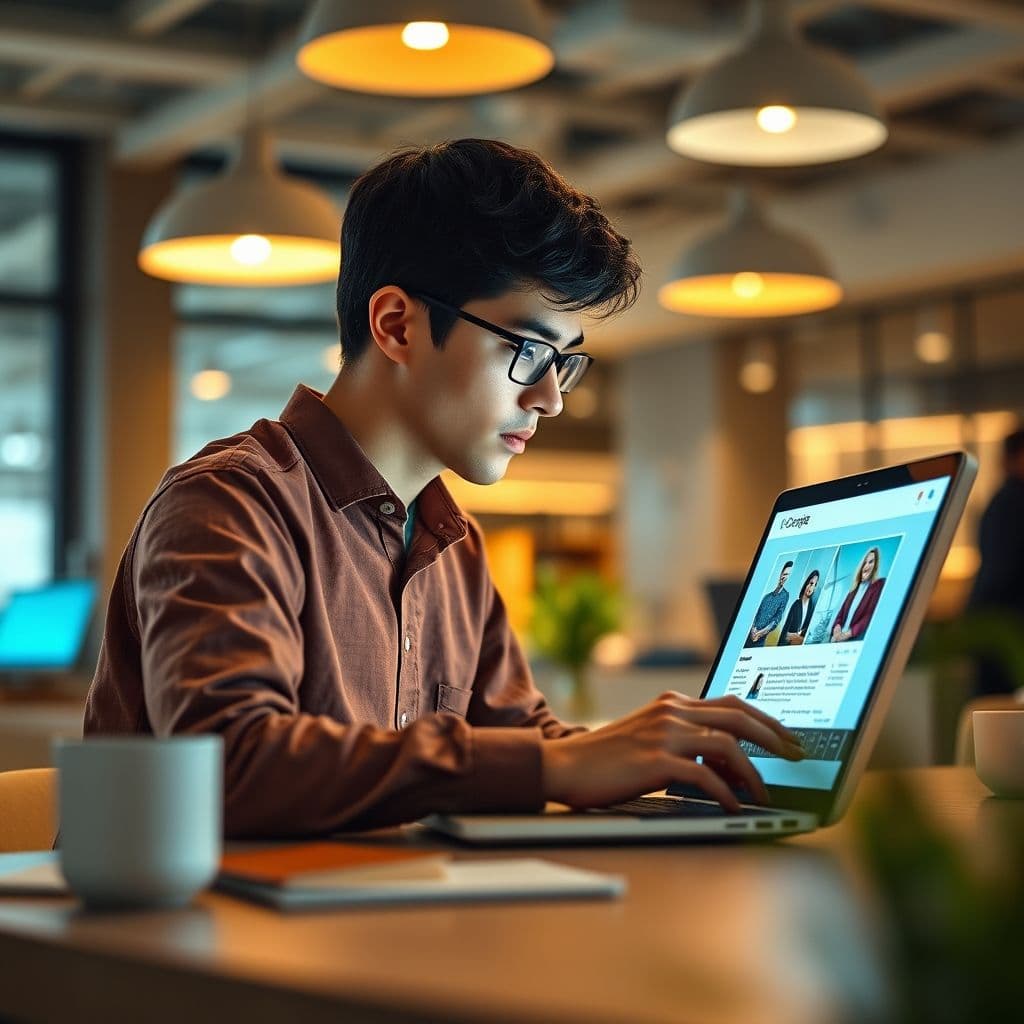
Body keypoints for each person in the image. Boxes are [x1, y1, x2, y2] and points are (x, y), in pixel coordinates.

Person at [83, 140, 804, 838]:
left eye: (565, 362)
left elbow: (526, 746)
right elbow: (229, 766)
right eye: (528, 351)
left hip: (365, 928)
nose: (551, 398)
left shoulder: (454, 546)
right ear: (397, 324)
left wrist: (656, 753)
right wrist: (553, 763)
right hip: (183, 949)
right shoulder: (227, 505)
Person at [965, 428, 1024, 696]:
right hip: (1002, 620)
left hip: (991, 616)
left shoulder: (1002, 499)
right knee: (1001, 700)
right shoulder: (1012, 501)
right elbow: (1001, 571)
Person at [831, 547, 884, 642]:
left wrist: (848, 634)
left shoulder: (878, 585)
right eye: (865, 562)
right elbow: (840, 615)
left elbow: (870, 615)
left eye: (871, 562)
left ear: (876, 565)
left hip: (853, 639)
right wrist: (837, 628)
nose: (867, 566)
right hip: (838, 639)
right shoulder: (852, 591)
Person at [745, 562, 793, 648]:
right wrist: (753, 629)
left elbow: (777, 619)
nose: (785, 577)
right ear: (781, 574)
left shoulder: (785, 595)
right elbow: (756, 614)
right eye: (785, 574)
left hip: (760, 641)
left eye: (788, 575)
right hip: (748, 636)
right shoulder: (766, 596)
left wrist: (760, 633)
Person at [780, 570, 819, 646]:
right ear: (806, 584)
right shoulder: (796, 605)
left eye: (814, 585)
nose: (811, 587)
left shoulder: (811, 608)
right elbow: (785, 634)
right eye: (811, 583)